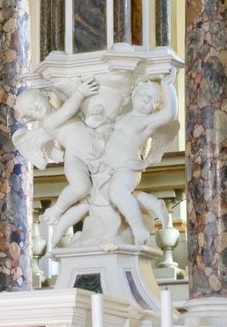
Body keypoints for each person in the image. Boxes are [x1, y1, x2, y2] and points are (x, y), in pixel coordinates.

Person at [14, 77, 100, 245]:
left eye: (36, 100)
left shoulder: (60, 108)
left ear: (45, 96)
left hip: (90, 147)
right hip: (74, 156)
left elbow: (68, 103)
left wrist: (55, 89)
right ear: (32, 119)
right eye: (32, 111)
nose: (36, 107)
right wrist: (81, 92)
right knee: (81, 187)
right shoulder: (48, 122)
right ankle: (58, 209)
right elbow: (68, 109)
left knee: (92, 196)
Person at [101, 69, 178, 244]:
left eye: (151, 99)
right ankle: (152, 203)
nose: (145, 99)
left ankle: (139, 230)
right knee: (111, 199)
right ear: (134, 93)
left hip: (128, 167)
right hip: (112, 168)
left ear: (155, 107)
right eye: (143, 94)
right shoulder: (122, 117)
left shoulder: (147, 122)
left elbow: (170, 113)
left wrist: (167, 86)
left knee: (117, 193)